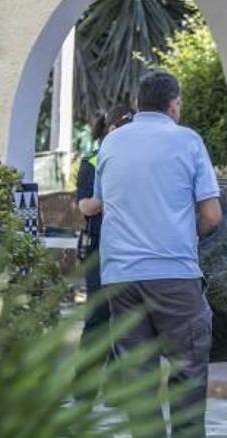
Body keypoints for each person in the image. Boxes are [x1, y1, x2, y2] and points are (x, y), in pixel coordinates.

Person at [91, 71, 223, 438]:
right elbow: (212, 216)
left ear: (138, 104)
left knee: (139, 377)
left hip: (120, 277)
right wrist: (188, 236)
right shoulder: (187, 141)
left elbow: (102, 202)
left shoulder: (110, 142)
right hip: (173, 274)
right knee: (188, 371)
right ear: (173, 105)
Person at [75, 103, 133, 385]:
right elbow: (85, 205)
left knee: (127, 318)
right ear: (112, 130)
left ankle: (115, 385)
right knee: (99, 316)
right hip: (99, 247)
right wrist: (111, 197)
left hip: (128, 246)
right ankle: (84, 388)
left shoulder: (136, 160)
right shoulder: (93, 161)